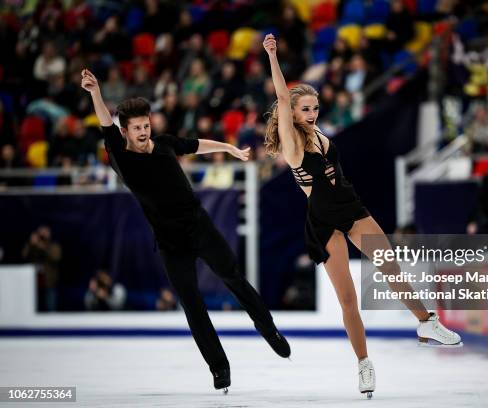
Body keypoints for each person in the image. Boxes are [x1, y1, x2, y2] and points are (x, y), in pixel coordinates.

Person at [262, 34, 461, 398]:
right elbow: (279, 95)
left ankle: (426, 323)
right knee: (349, 300)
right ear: (291, 112)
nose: (311, 114)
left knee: (391, 268)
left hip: (352, 207)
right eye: (304, 110)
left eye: (314, 109)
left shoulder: (319, 133)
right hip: (323, 220)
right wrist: (273, 55)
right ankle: (364, 365)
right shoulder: (291, 143)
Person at [80, 69, 290, 392]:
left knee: (233, 275)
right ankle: (219, 368)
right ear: (125, 131)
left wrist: (229, 149)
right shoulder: (119, 154)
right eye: (136, 128)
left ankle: (269, 329)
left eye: (146, 125)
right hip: (169, 241)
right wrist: (95, 91)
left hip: (197, 224)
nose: (143, 132)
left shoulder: (163, 144)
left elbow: (194, 145)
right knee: (192, 304)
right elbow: (105, 122)